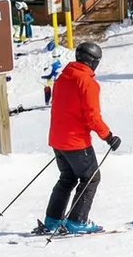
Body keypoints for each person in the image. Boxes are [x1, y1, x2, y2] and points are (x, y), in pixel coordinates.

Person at [43, 41, 121, 234]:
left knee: (67, 178)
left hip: (58, 139)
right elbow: (92, 117)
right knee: (91, 178)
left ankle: (52, 219)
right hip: (76, 142)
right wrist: (109, 137)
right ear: (92, 61)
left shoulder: (63, 78)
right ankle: (77, 221)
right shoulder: (87, 82)